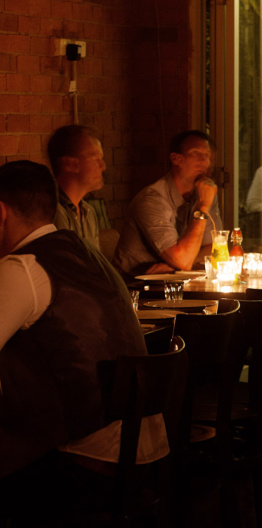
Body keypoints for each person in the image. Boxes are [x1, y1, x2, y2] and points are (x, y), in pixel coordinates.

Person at [0, 161, 162, 495]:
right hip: (141, 453)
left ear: (1, 212)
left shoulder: (22, 267)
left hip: (86, 462)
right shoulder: (88, 254)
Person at [114, 130, 223, 277]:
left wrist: (176, 265)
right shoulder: (152, 200)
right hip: (135, 284)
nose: (204, 161)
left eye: (207, 155)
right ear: (175, 159)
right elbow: (183, 261)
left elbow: (214, 248)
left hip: (172, 280)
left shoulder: (204, 194)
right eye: (195, 153)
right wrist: (202, 208)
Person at [46, 124, 106, 251]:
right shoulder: (52, 212)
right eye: (95, 159)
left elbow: (94, 261)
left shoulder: (88, 212)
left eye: (101, 158)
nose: (102, 166)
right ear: (69, 164)